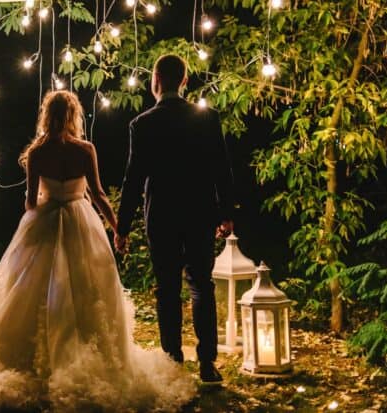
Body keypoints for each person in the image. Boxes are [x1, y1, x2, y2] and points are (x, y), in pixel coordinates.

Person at [0, 91, 194, 411]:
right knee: (87, 290)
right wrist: (116, 228)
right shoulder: (85, 150)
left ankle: (36, 358)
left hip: (44, 220)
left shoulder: (37, 153)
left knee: (34, 290)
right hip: (79, 219)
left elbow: (30, 200)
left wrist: (42, 204)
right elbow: (98, 194)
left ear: (47, 114)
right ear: (74, 115)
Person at [115, 54, 234, 383]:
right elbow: (221, 169)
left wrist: (122, 228)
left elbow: (133, 180)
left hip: (162, 217)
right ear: (184, 81)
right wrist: (226, 213)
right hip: (199, 214)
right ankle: (208, 363)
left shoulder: (142, 124)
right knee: (202, 286)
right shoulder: (207, 118)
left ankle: (173, 360)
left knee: (167, 290)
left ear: (155, 80)